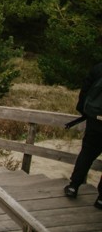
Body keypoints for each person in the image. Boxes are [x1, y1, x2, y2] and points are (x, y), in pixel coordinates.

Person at [64, 62, 102, 210]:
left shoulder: (98, 68)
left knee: (87, 153)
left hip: (96, 120)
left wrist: (85, 112)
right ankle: (101, 199)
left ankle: (74, 186)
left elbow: (85, 89)